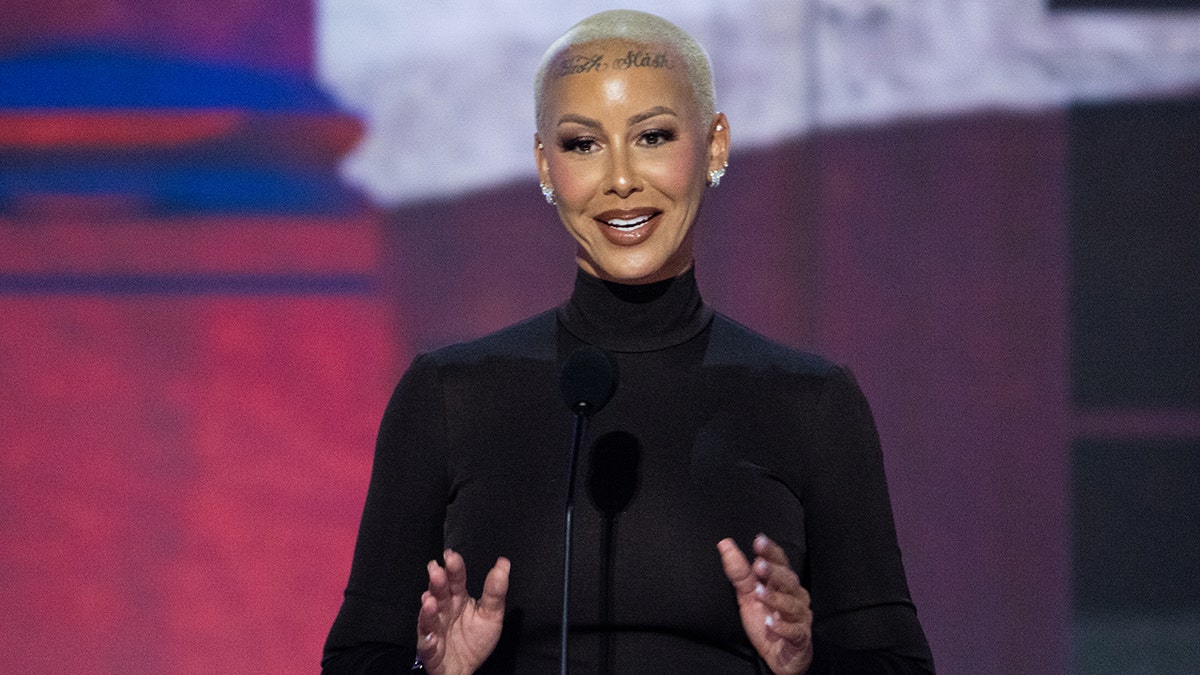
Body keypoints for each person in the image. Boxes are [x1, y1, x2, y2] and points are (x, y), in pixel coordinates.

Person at [323, 10, 933, 674]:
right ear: (545, 165)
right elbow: (358, 656)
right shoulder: (448, 396)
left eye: (653, 136)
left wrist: (807, 663)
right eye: (583, 144)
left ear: (716, 144)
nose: (620, 178)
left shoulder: (810, 402)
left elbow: (895, 664)